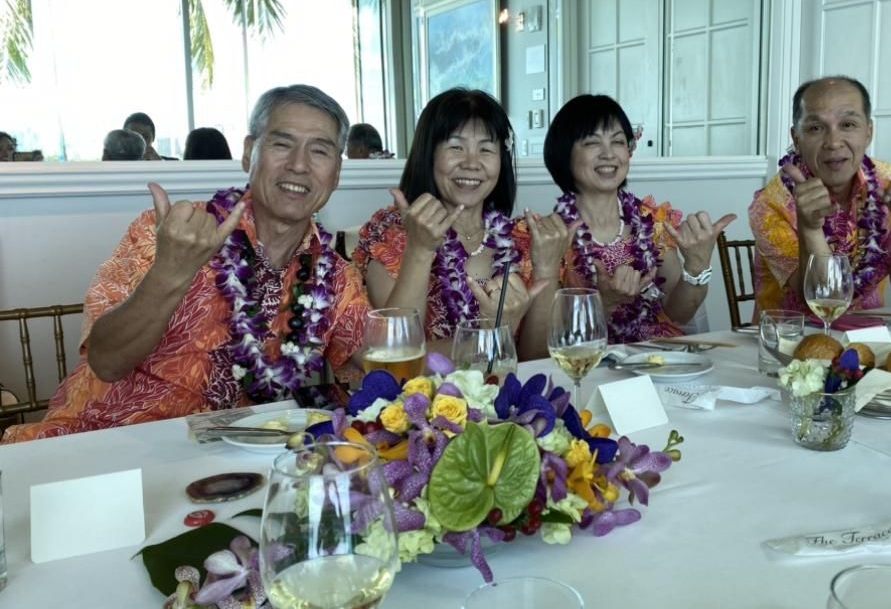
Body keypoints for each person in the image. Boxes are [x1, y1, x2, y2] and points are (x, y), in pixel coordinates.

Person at [2, 85, 370, 443]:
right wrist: (171, 272)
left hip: (229, 459)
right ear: (248, 153)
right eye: (282, 144)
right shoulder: (169, 232)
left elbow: (382, 358)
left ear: (336, 172)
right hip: (104, 443)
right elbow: (107, 362)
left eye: (319, 151)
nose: (299, 165)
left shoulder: (334, 276)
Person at [353, 89, 562, 353]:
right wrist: (419, 249)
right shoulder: (392, 237)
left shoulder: (523, 241)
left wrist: (547, 268)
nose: (472, 163)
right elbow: (397, 355)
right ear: (428, 153)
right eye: (456, 147)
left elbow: (537, 361)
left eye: (486, 149)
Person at [522, 94, 735, 350]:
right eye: (592, 142)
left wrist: (697, 266)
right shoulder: (547, 237)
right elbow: (538, 351)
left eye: (618, 141)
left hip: (658, 360)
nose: (609, 154)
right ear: (564, 153)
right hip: (586, 365)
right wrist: (605, 304)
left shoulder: (653, 223)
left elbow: (679, 314)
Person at [748, 75, 891, 321]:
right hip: (791, 338)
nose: (833, 142)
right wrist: (810, 228)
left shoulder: (889, 184)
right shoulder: (770, 205)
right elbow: (824, 301)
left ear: (868, 132)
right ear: (797, 139)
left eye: (848, 125)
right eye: (816, 128)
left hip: (869, 337)